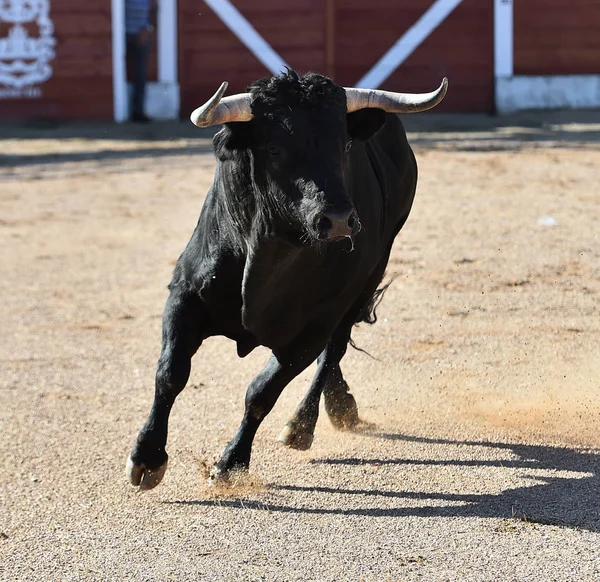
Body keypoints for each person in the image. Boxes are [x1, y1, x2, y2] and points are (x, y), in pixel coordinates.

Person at [125, 0, 157, 122]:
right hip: (122, 33)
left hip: (141, 33)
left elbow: (154, 8)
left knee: (140, 74)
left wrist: (148, 28)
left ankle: (138, 112)